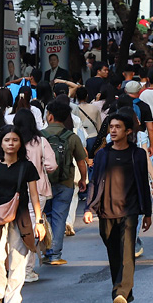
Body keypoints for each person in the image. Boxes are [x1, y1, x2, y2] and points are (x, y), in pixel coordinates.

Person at [84, 111, 153, 303]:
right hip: (106, 211)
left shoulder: (137, 154)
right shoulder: (103, 155)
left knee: (126, 252)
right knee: (114, 254)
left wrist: (147, 213)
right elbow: (94, 182)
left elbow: (143, 183)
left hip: (129, 211)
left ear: (128, 131)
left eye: (118, 127)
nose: (113, 131)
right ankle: (125, 292)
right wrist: (89, 208)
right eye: (111, 127)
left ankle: (120, 292)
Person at [0, 126, 47, 303]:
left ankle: (13, 302)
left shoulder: (27, 166)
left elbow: (34, 195)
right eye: (7, 140)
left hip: (20, 216)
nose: (11, 144)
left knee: (18, 259)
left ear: (20, 144)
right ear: (1, 143)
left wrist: (39, 221)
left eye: (15, 140)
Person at [41, 101, 88, 265]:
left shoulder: (40, 136)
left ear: (50, 116)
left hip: (43, 184)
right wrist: (83, 179)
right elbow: (81, 161)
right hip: (66, 182)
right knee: (59, 218)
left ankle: (46, 250)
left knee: (44, 216)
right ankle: (55, 254)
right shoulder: (71, 137)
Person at [15, 109, 57, 283]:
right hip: (37, 189)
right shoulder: (40, 141)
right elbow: (52, 165)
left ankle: (13, 268)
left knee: (14, 228)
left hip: (13, 189)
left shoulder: (12, 140)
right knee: (32, 227)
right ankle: (27, 270)